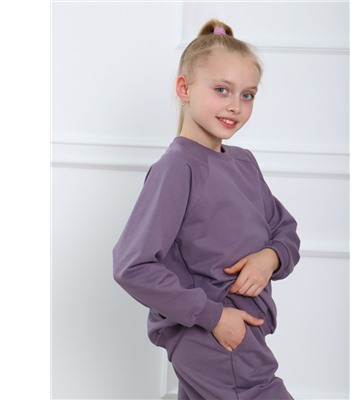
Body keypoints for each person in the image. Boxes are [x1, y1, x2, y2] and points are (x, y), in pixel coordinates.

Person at [113, 18, 301, 400]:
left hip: (241, 332)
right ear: (184, 88)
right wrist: (215, 317)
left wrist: (269, 258)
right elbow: (132, 265)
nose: (235, 105)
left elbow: (285, 229)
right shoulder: (178, 168)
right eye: (221, 90)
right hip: (215, 337)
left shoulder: (243, 163)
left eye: (247, 95)